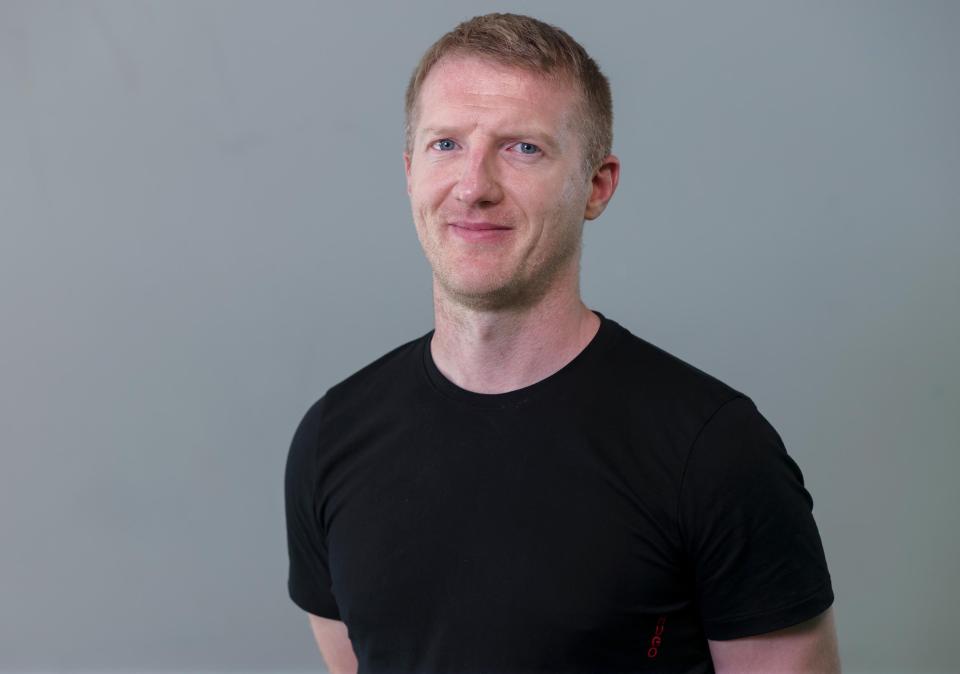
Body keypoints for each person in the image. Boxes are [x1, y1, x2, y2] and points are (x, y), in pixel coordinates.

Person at [285, 12, 840, 674]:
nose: (474, 186)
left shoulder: (714, 451)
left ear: (596, 187)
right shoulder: (331, 439)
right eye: (446, 145)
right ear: (410, 172)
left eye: (524, 148)